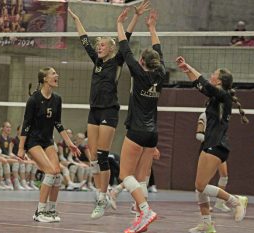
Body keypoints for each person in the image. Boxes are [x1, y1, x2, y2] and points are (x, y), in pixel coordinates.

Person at [68, 0, 151, 219]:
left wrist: (132, 18)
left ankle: (102, 199)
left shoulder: (117, 61)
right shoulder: (96, 60)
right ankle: (101, 196)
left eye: (102, 45)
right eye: (99, 46)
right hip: (93, 110)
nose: (99, 48)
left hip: (109, 111)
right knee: (94, 158)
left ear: (111, 48)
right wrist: (77, 20)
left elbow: (128, 37)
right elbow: (84, 40)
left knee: (103, 156)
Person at [176, 56, 249, 233]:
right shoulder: (216, 97)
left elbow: (205, 85)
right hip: (210, 143)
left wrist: (191, 68)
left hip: (217, 145)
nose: (211, 76)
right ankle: (207, 223)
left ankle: (235, 201)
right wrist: (187, 70)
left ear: (221, 81)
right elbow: (200, 86)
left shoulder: (223, 96)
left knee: (201, 186)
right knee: (198, 187)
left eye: (214, 74)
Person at [117, 8, 164, 232]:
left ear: (142, 61)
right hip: (153, 133)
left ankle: (145, 210)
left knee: (125, 176)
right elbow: (158, 50)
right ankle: (140, 223)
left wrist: (120, 24)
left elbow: (124, 48)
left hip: (136, 131)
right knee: (141, 179)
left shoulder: (139, 73)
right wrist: (152, 28)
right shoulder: (161, 73)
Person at [17, 67, 81, 223]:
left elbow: (58, 123)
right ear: (45, 78)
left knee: (57, 173)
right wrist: (21, 148)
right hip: (33, 141)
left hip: (47, 140)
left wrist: (70, 143)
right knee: (50, 172)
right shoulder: (33, 100)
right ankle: (39, 212)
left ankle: (51, 210)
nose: (57, 75)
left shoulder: (57, 99)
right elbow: (26, 124)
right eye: (53, 73)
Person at [196, 112, 231, 213]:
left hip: (218, 147)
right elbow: (198, 134)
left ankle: (220, 203)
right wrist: (211, 138)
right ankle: (204, 208)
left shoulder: (222, 115)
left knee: (224, 175)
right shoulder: (204, 115)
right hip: (208, 148)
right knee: (202, 182)